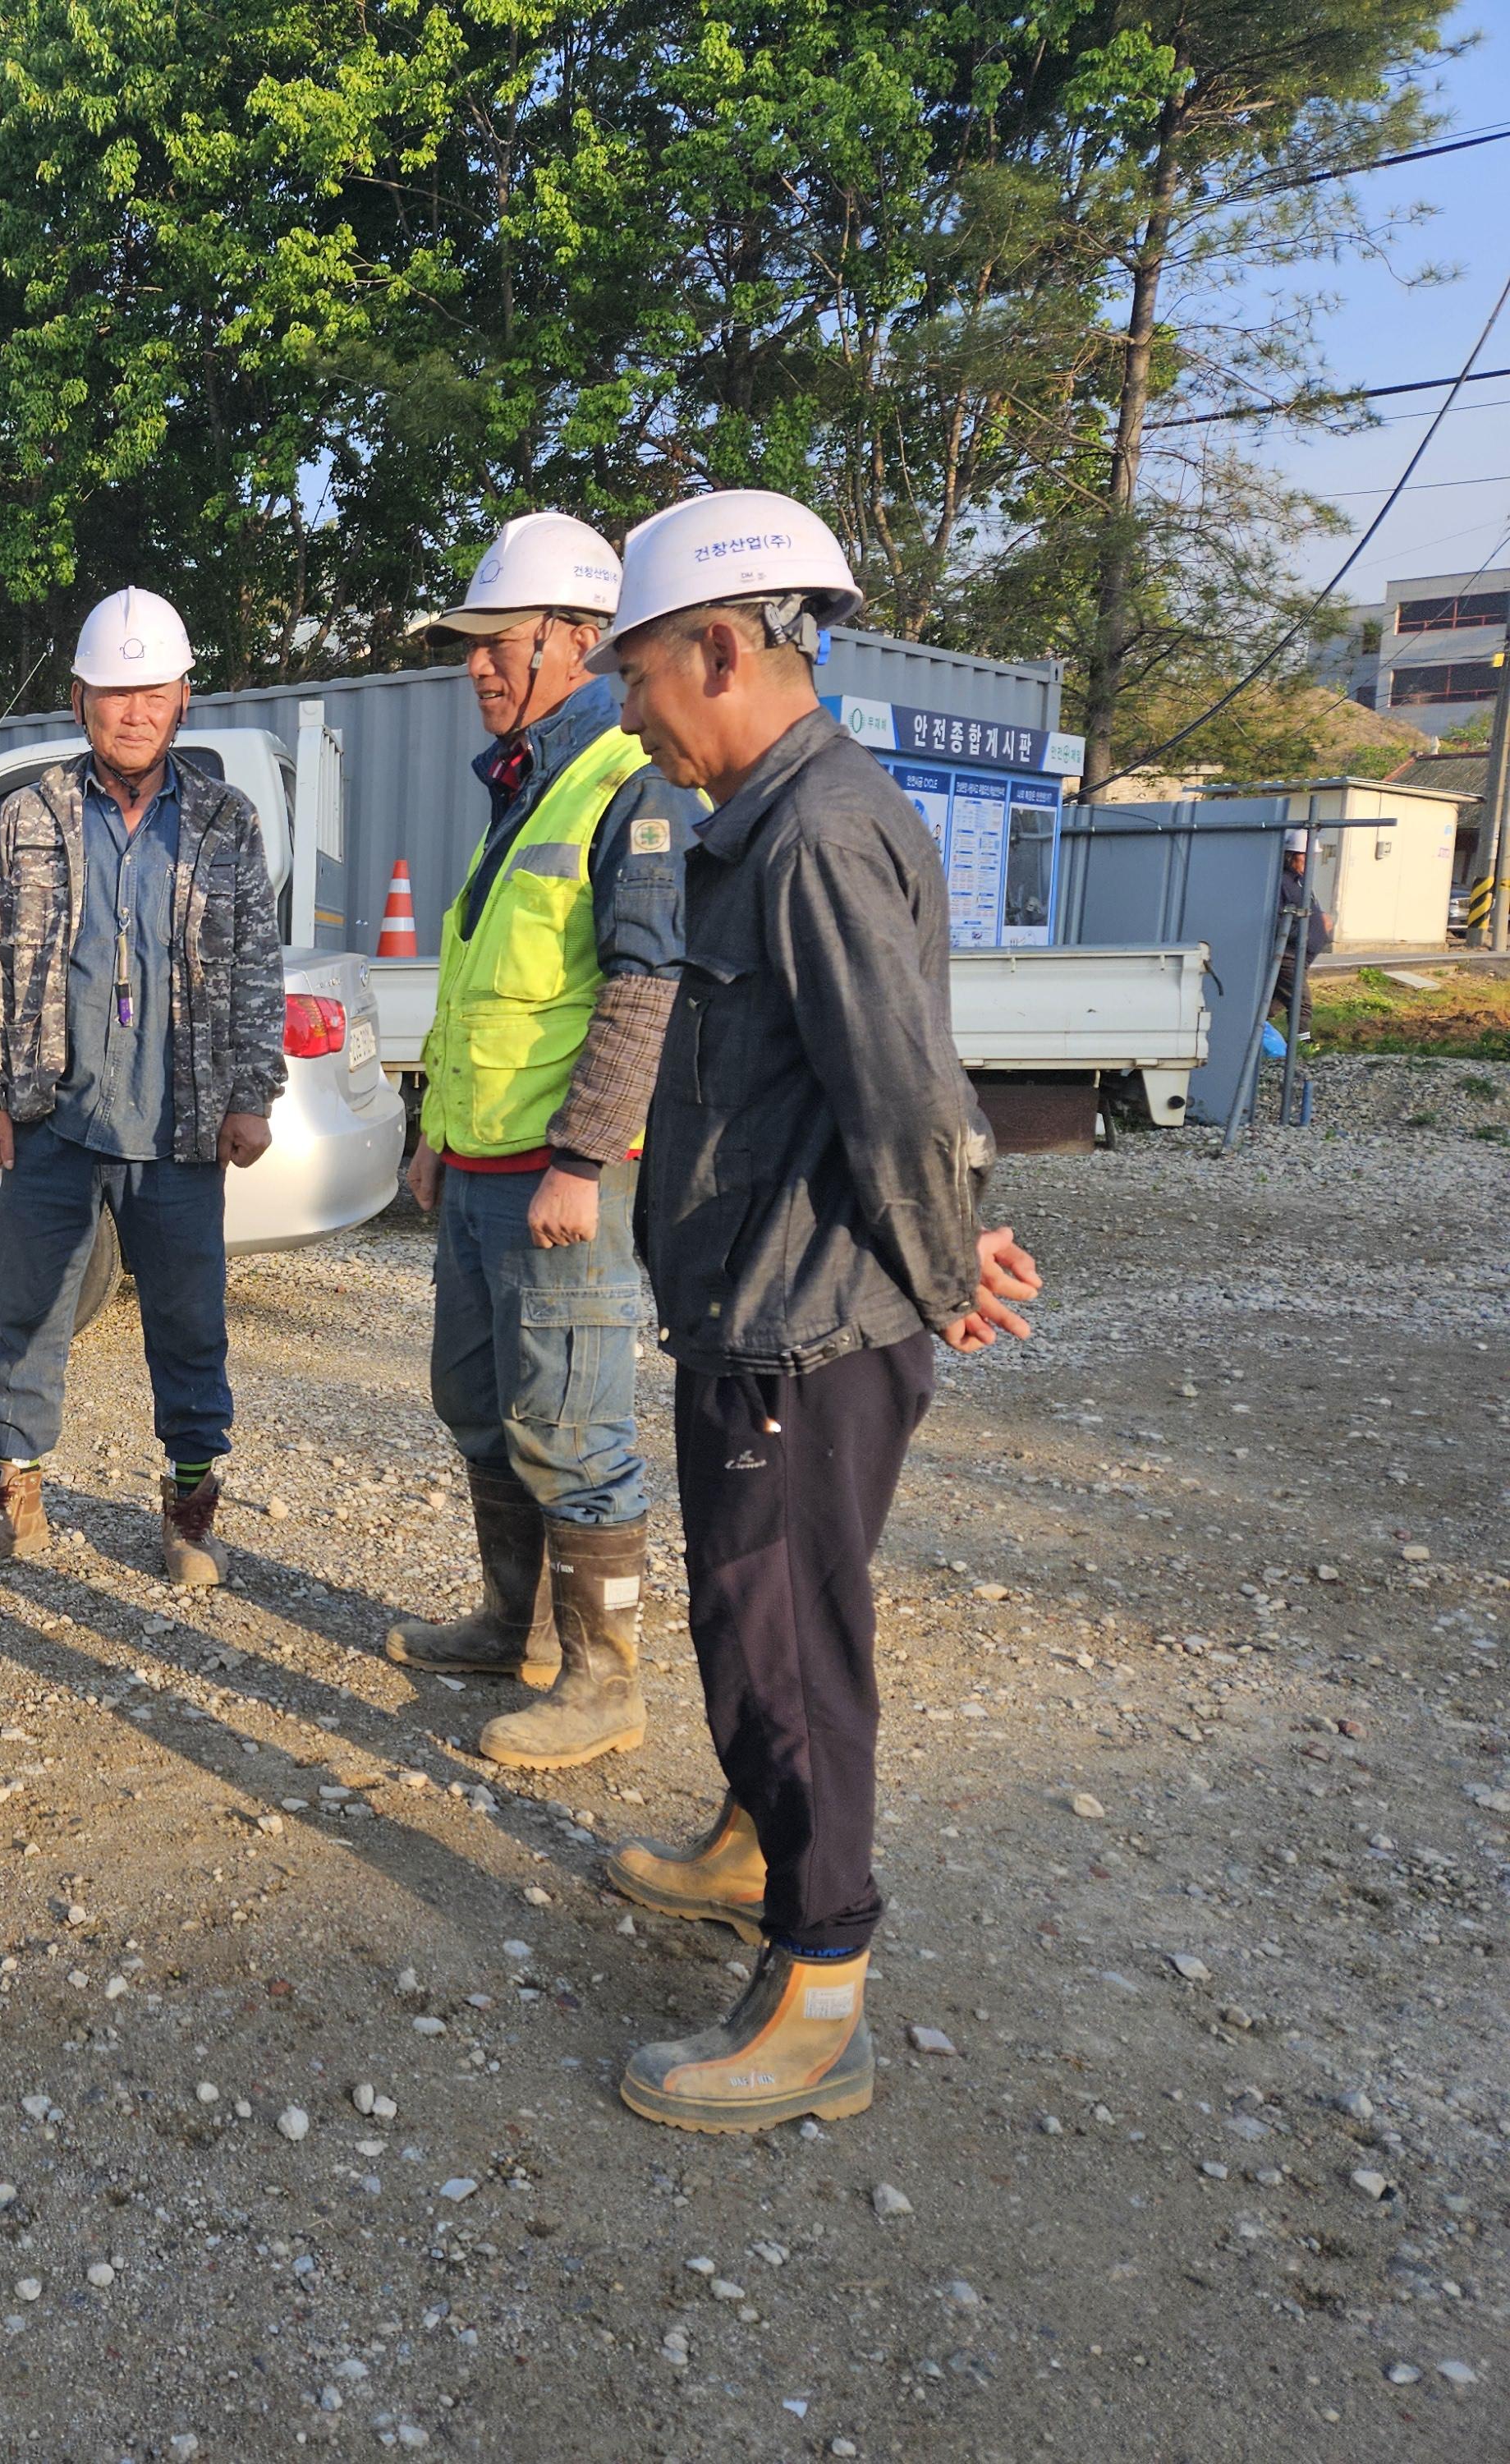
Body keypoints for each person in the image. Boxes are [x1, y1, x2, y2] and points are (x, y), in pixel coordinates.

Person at [589, 489, 1042, 2132]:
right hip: (758, 1309)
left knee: (786, 1646)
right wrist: (949, 1248)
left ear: (721, 649)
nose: (628, 712)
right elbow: (885, 1075)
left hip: (801, 1330)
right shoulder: (769, 823)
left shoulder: (815, 833)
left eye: (638, 672)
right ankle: (752, 1844)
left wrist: (942, 1266)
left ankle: (819, 1987)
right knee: (750, 1624)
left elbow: (904, 1100)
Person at [383, 513, 704, 1771]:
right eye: (468, 644)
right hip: (478, 1171)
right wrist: (433, 1135)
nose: (476, 664)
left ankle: (602, 1683)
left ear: (579, 638)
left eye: (497, 639)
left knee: (573, 1424)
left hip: (559, 1185)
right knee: (476, 1401)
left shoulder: (628, 784)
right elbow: (480, 988)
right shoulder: (521, 790)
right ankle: (509, 1627)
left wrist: (581, 1159)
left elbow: (644, 988)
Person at [0, 586, 286, 1585]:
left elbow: (254, 963)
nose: (133, 713)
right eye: (114, 694)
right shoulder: (31, 815)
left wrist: (251, 1092)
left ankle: (189, 1509)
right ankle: (15, 1499)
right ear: (79, 699)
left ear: (182, 699)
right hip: (54, 1116)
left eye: (152, 694)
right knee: (28, 1315)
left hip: (180, 1123)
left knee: (188, 1324)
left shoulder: (223, 820)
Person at [1276, 827, 1334, 1004]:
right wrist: (1305, 934)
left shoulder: (1301, 881)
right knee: (1302, 1006)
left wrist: (1321, 922)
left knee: (1275, 1004)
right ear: (1291, 855)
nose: (1311, 861)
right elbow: (1277, 921)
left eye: (1313, 856)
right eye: (1305, 855)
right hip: (1290, 956)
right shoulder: (1282, 882)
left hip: (1303, 957)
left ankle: (1250, 1024)